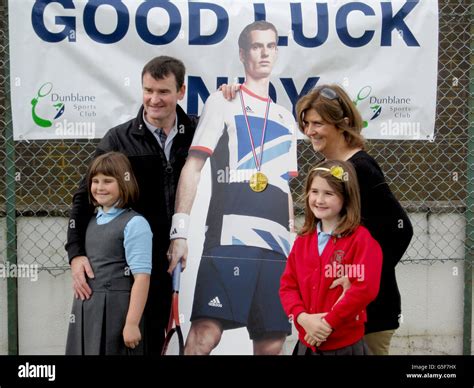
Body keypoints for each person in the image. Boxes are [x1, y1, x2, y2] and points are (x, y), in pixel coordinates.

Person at [167, 21, 298, 355]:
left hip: (277, 247)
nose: (264, 52)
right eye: (257, 46)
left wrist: (293, 239)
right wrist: (179, 232)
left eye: (271, 46)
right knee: (206, 333)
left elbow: (284, 186)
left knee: (272, 341)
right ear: (242, 54)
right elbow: (193, 166)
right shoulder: (223, 101)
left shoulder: (286, 118)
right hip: (231, 238)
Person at [65, 56, 198, 355]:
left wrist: (230, 96)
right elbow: (82, 196)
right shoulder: (118, 139)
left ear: (181, 91)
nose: (154, 99)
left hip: (187, 260)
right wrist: (75, 254)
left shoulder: (197, 133)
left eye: (163, 91)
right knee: (138, 343)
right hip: (136, 271)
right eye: (148, 90)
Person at [295, 84, 414, 355]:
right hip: (330, 315)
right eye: (306, 123)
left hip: (369, 316)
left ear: (343, 124)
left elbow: (400, 230)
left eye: (318, 123)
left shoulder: (361, 169)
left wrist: (360, 278)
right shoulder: (329, 170)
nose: (310, 131)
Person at [280, 160, 382, 355]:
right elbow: (287, 286)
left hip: (344, 346)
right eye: (314, 191)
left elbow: (364, 289)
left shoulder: (361, 240)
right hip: (306, 345)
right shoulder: (302, 241)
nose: (319, 200)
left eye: (329, 193)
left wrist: (327, 324)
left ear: (346, 197)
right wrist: (303, 319)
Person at [66, 152, 152, 355]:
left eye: (107, 181)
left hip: (117, 312)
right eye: (95, 181)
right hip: (87, 311)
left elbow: (142, 278)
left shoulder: (135, 223)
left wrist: (131, 324)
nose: (99, 187)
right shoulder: (91, 221)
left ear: (124, 183)